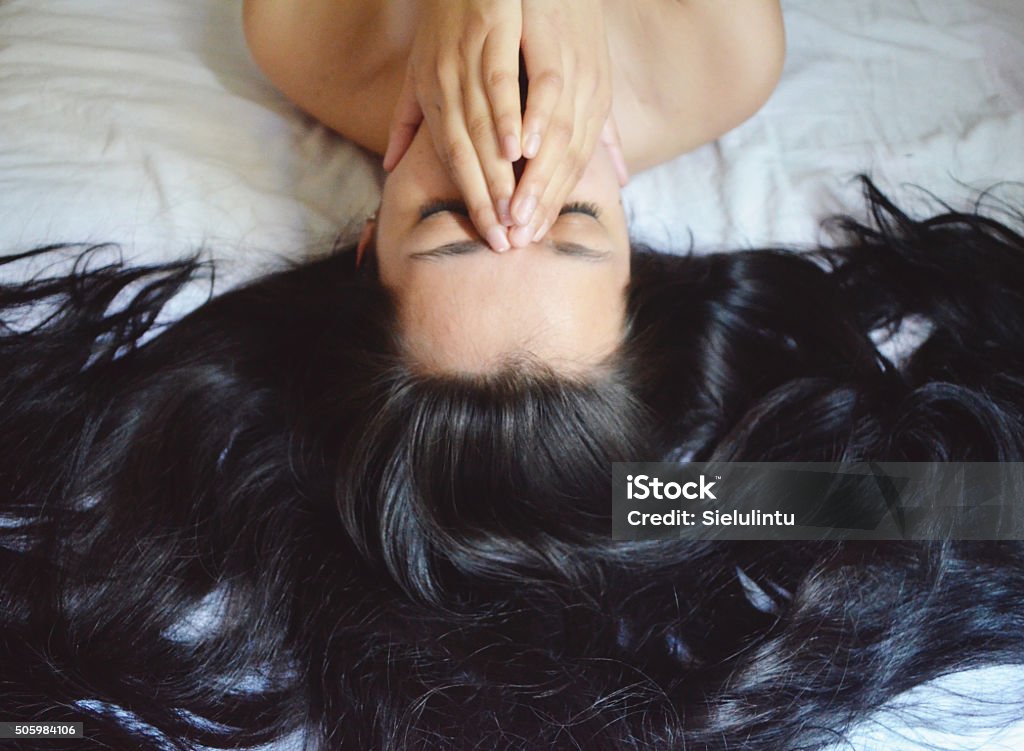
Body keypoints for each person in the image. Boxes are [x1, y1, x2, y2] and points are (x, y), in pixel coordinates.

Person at [3, 3, 1024, 751]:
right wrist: (674, 497)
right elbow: (985, 500)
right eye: (570, 226)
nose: (516, 166)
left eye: (448, 220)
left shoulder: (302, 32)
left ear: (369, 241)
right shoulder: (723, 56)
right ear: (633, 253)